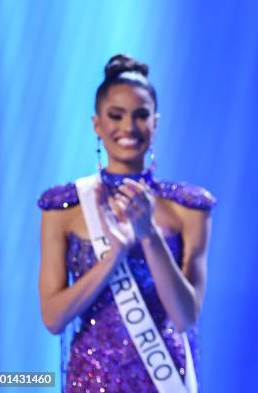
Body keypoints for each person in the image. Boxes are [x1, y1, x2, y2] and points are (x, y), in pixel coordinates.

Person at [38, 54, 215, 392]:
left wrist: (148, 235)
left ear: (156, 122)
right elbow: (53, 317)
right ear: (97, 124)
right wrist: (114, 255)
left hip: (164, 376)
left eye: (141, 115)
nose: (129, 128)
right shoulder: (64, 207)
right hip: (92, 376)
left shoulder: (188, 207)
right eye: (115, 116)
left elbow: (185, 316)